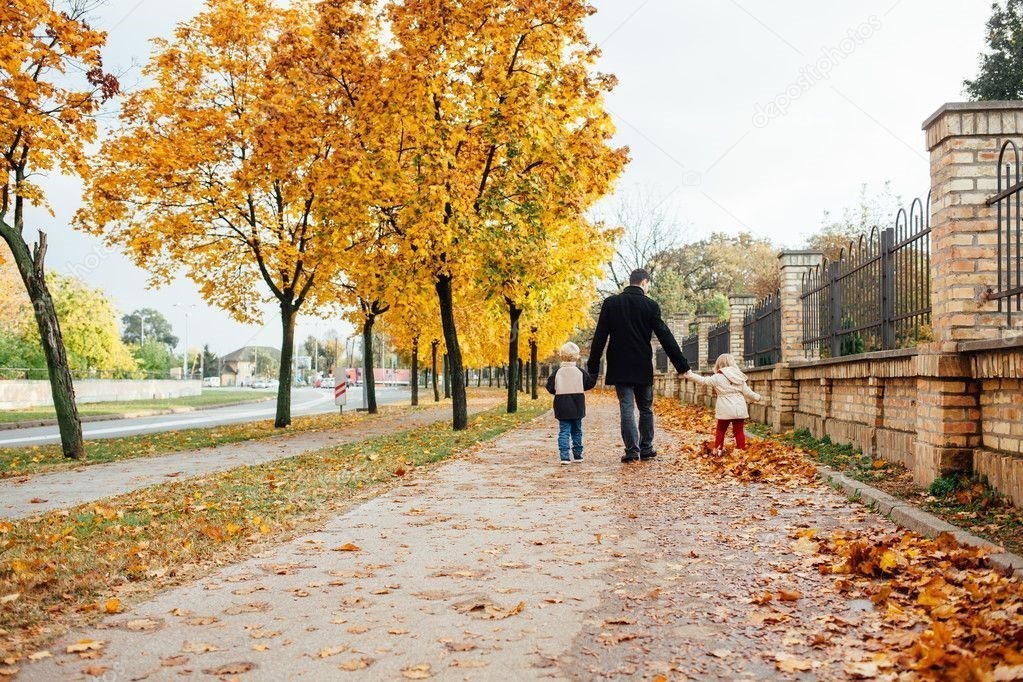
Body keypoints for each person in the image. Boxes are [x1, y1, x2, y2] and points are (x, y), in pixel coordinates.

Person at [586, 269, 690, 463]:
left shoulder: (611, 303)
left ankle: (632, 450)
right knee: (645, 408)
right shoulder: (650, 305)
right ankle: (646, 447)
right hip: (642, 364)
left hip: (619, 365)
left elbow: (600, 337)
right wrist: (682, 365)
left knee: (626, 407)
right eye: (648, 284)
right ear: (644, 282)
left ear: (630, 281)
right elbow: (665, 336)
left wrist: (592, 368)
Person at [682, 353, 762, 454]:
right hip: (739, 407)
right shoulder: (739, 376)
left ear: (719, 363)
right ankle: (741, 453)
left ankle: (718, 451)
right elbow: (747, 392)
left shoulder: (718, 377)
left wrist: (690, 375)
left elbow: (703, 381)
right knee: (739, 431)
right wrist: (757, 397)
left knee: (721, 430)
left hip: (725, 408)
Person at [546, 342, 598, 465]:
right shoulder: (580, 372)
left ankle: (564, 456)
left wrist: (559, 390)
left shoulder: (557, 372)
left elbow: (550, 387)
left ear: (561, 356)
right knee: (577, 430)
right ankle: (578, 455)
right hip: (577, 404)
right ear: (577, 356)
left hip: (562, 405)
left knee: (564, 431)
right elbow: (589, 384)